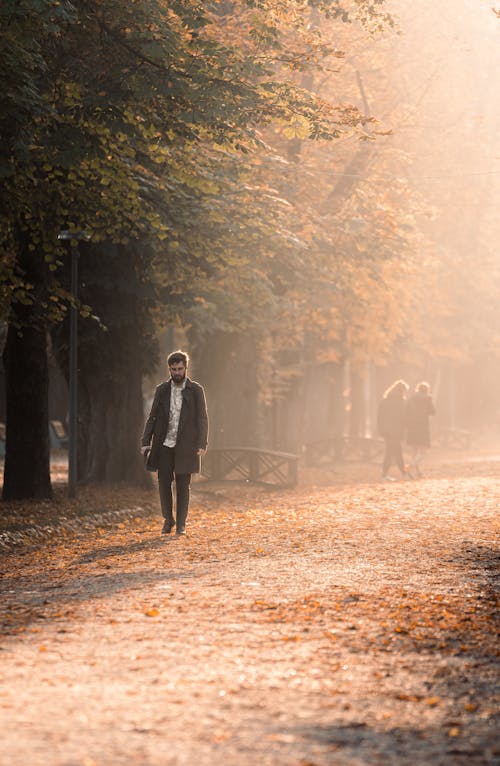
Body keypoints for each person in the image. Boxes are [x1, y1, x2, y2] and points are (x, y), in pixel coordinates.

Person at [141, 350, 208, 535]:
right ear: (169, 369)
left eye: (180, 369)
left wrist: (202, 443)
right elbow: (152, 417)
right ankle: (168, 519)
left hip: (187, 445)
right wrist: (146, 440)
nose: (177, 372)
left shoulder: (196, 391)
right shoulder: (161, 390)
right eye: (173, 369)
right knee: (163, 483)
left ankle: (181, 524)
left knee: (183, 486)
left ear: (186, 368)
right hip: (164, 445)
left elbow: (202, 418)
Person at [377, 379, 411, 481]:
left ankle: (386, 474)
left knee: (392, 451)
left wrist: (381, 429)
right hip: (396, 430)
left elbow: (379, 416)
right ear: (402, 391)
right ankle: (402, 474)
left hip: (386, 431)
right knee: (395, 452)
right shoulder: (401, 402)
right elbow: (404, 417)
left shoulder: (385, 401)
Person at [406, 381, 436, 478]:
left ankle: (417, 473)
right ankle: (410, 467)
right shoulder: (427, 399)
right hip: (422, 427)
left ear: (418, 389)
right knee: (423, 452)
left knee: (414, 451)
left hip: (411, 427)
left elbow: (406, 411)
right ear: (426, 390)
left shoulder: (411, 399)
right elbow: (433, 411)